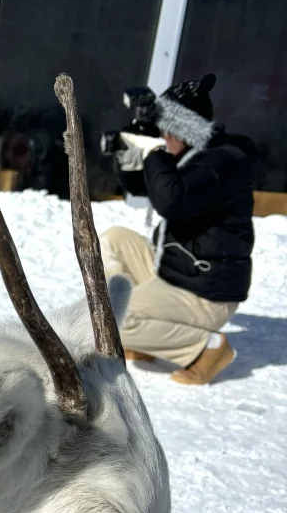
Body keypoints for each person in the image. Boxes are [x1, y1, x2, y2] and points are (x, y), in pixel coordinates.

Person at [99, 73, 253, 385]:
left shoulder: (223, 163)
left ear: (188, 129)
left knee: (111, 318)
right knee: (114, 240)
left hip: (207, 292)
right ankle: (147, 336)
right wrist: (133, 145)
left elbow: (170, 199)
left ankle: (206, 349)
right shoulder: (186, 155)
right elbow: (139, 185)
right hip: (178, 271)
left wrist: (154, 152)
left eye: (168, 130)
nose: (163, 136)